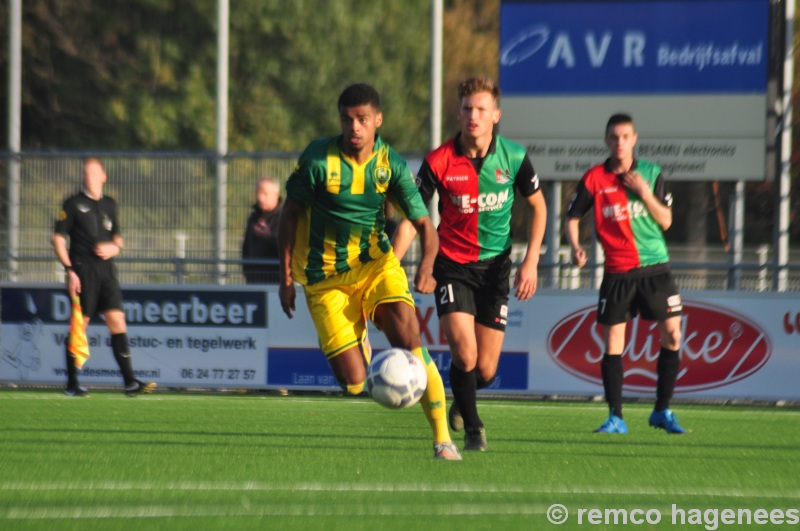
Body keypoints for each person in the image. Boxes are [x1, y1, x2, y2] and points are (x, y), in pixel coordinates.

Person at [277, 83, 462, 460]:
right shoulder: (317, 159)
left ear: (378, 120)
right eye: (347, 119)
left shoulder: (390, 164)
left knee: (411, 338)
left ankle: (443, 440)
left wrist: (427, 265)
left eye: (362, 119)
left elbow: (425, 225)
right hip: (324, 280)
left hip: (375, 265)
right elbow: (289, 215)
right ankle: (360, 339)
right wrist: (285, 279)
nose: (354, 127)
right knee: (355, 383)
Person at [393, 76, 547, 452]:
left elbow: (539, 207)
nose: (472, 116)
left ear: (496, 115)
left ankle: (460, 401)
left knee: (487, 369)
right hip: (453, 267)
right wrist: (391, 266)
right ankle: (474, 428)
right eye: (466, 109)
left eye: (480, 110)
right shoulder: (440, 160)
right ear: (459, 114)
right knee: (465, 354)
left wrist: (531, 263)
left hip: (496, 269)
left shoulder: (513, 156)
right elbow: (414, 216)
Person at [565, 113, 686, 434]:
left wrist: (645, 193)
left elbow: (667, 221)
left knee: (673, 335)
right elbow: (573, 216)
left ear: (634, 140)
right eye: (614, 137)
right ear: (607, 140)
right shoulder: (594, 179)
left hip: (655, 268)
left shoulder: (651, 173)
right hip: (618, 271)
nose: (620, 142)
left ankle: (662, 410)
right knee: (613, 342)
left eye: (625, 137)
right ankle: (616, 416)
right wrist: (576, 246)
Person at [52, 158, 157, 398]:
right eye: (85, 174)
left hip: (107, 272)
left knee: (117, 321)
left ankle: (130, 382)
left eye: (93, 173)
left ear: (103, 176)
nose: (88, 177)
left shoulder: (110, 204)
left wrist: (114, 248)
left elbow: (117, 238)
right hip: (83, 271)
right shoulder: (72, 204)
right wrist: (69, 269)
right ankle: (72, 383)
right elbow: (58, 238)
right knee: (81, 326)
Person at [242, 176, 282, 284]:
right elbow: (246, 247)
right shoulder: (254, 217)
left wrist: (269, 238)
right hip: (253, 281)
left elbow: (291, 250)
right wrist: (247, 271)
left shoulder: (286, 218)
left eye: (264, 193)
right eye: (258, 193)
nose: (260, 198)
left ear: (276, 195)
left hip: (276, 284)